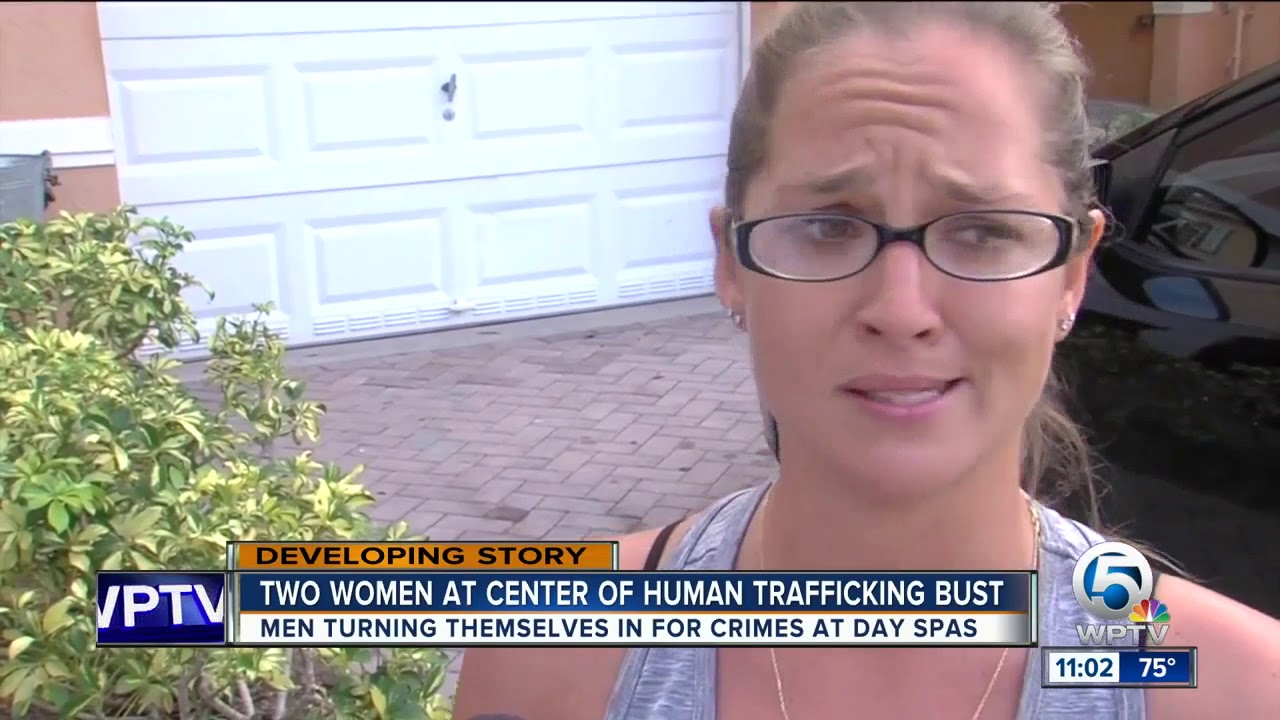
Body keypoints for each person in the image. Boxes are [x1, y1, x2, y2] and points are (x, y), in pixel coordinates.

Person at [453, 3, 1280, 718]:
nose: (901, 310)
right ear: (731, 264)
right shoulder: (551, 659)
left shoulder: (1234, 689)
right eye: (828, 227)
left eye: (983, 230)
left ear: (1072, 275)